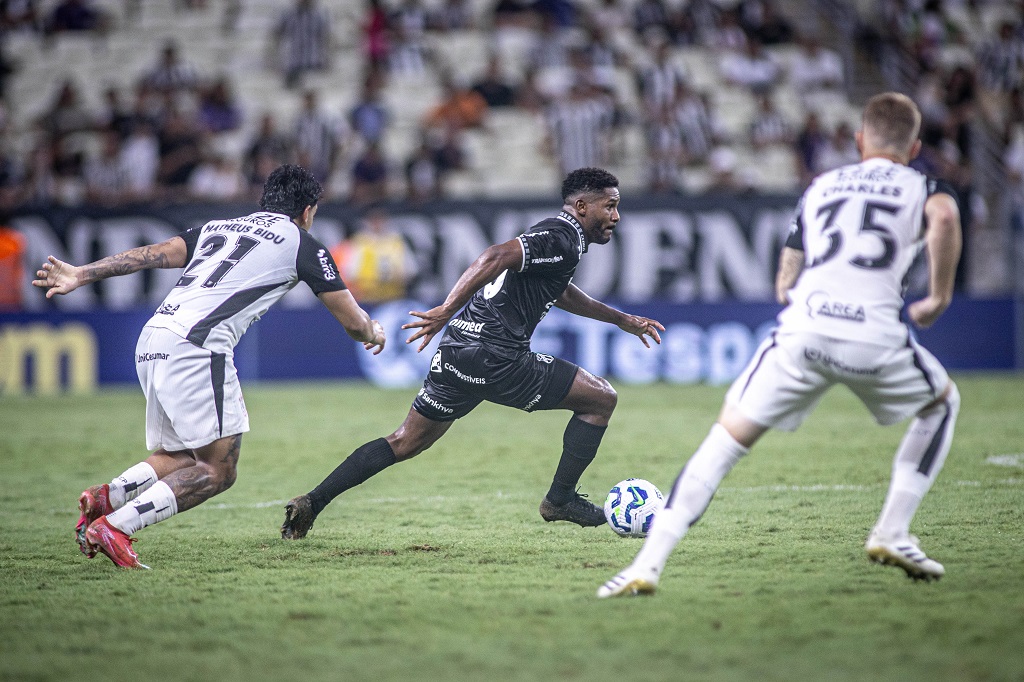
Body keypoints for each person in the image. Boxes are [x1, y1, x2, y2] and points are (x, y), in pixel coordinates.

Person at [598, 92, 962, 597]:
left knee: (721, 445)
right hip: (872, 334)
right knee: (942, 404)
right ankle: (893, 530)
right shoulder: (924, 184)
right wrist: (939, 296)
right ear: (915, 145)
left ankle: (647, 564)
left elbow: (792, 255)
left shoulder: (823, 184)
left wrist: (787, 288)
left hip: (803, 331)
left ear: (860, 141)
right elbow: (943, 220)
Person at [31, 164, 386, 569]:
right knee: (218, 469)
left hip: (153, 338)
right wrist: (374, 332)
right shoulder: (303, 245)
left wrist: (82, 273)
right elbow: (354, 324)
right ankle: (116, 526)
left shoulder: (217, 227)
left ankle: (107, 497)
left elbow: (149, 255)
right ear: (307, 211)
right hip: (196, 346)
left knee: (180, 454)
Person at [280, 167, 665, 539]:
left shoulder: (561, 242)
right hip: (499, 357)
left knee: (405, 440)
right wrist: (445, 309)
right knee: (601, 399)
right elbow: (493, 257)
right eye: (609, 206)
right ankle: (559, 500)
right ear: (581, 206)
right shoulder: (561, 235)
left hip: (458, 352)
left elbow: (559, 290)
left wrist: (620, 319)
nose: (616, 216)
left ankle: (312, 502)